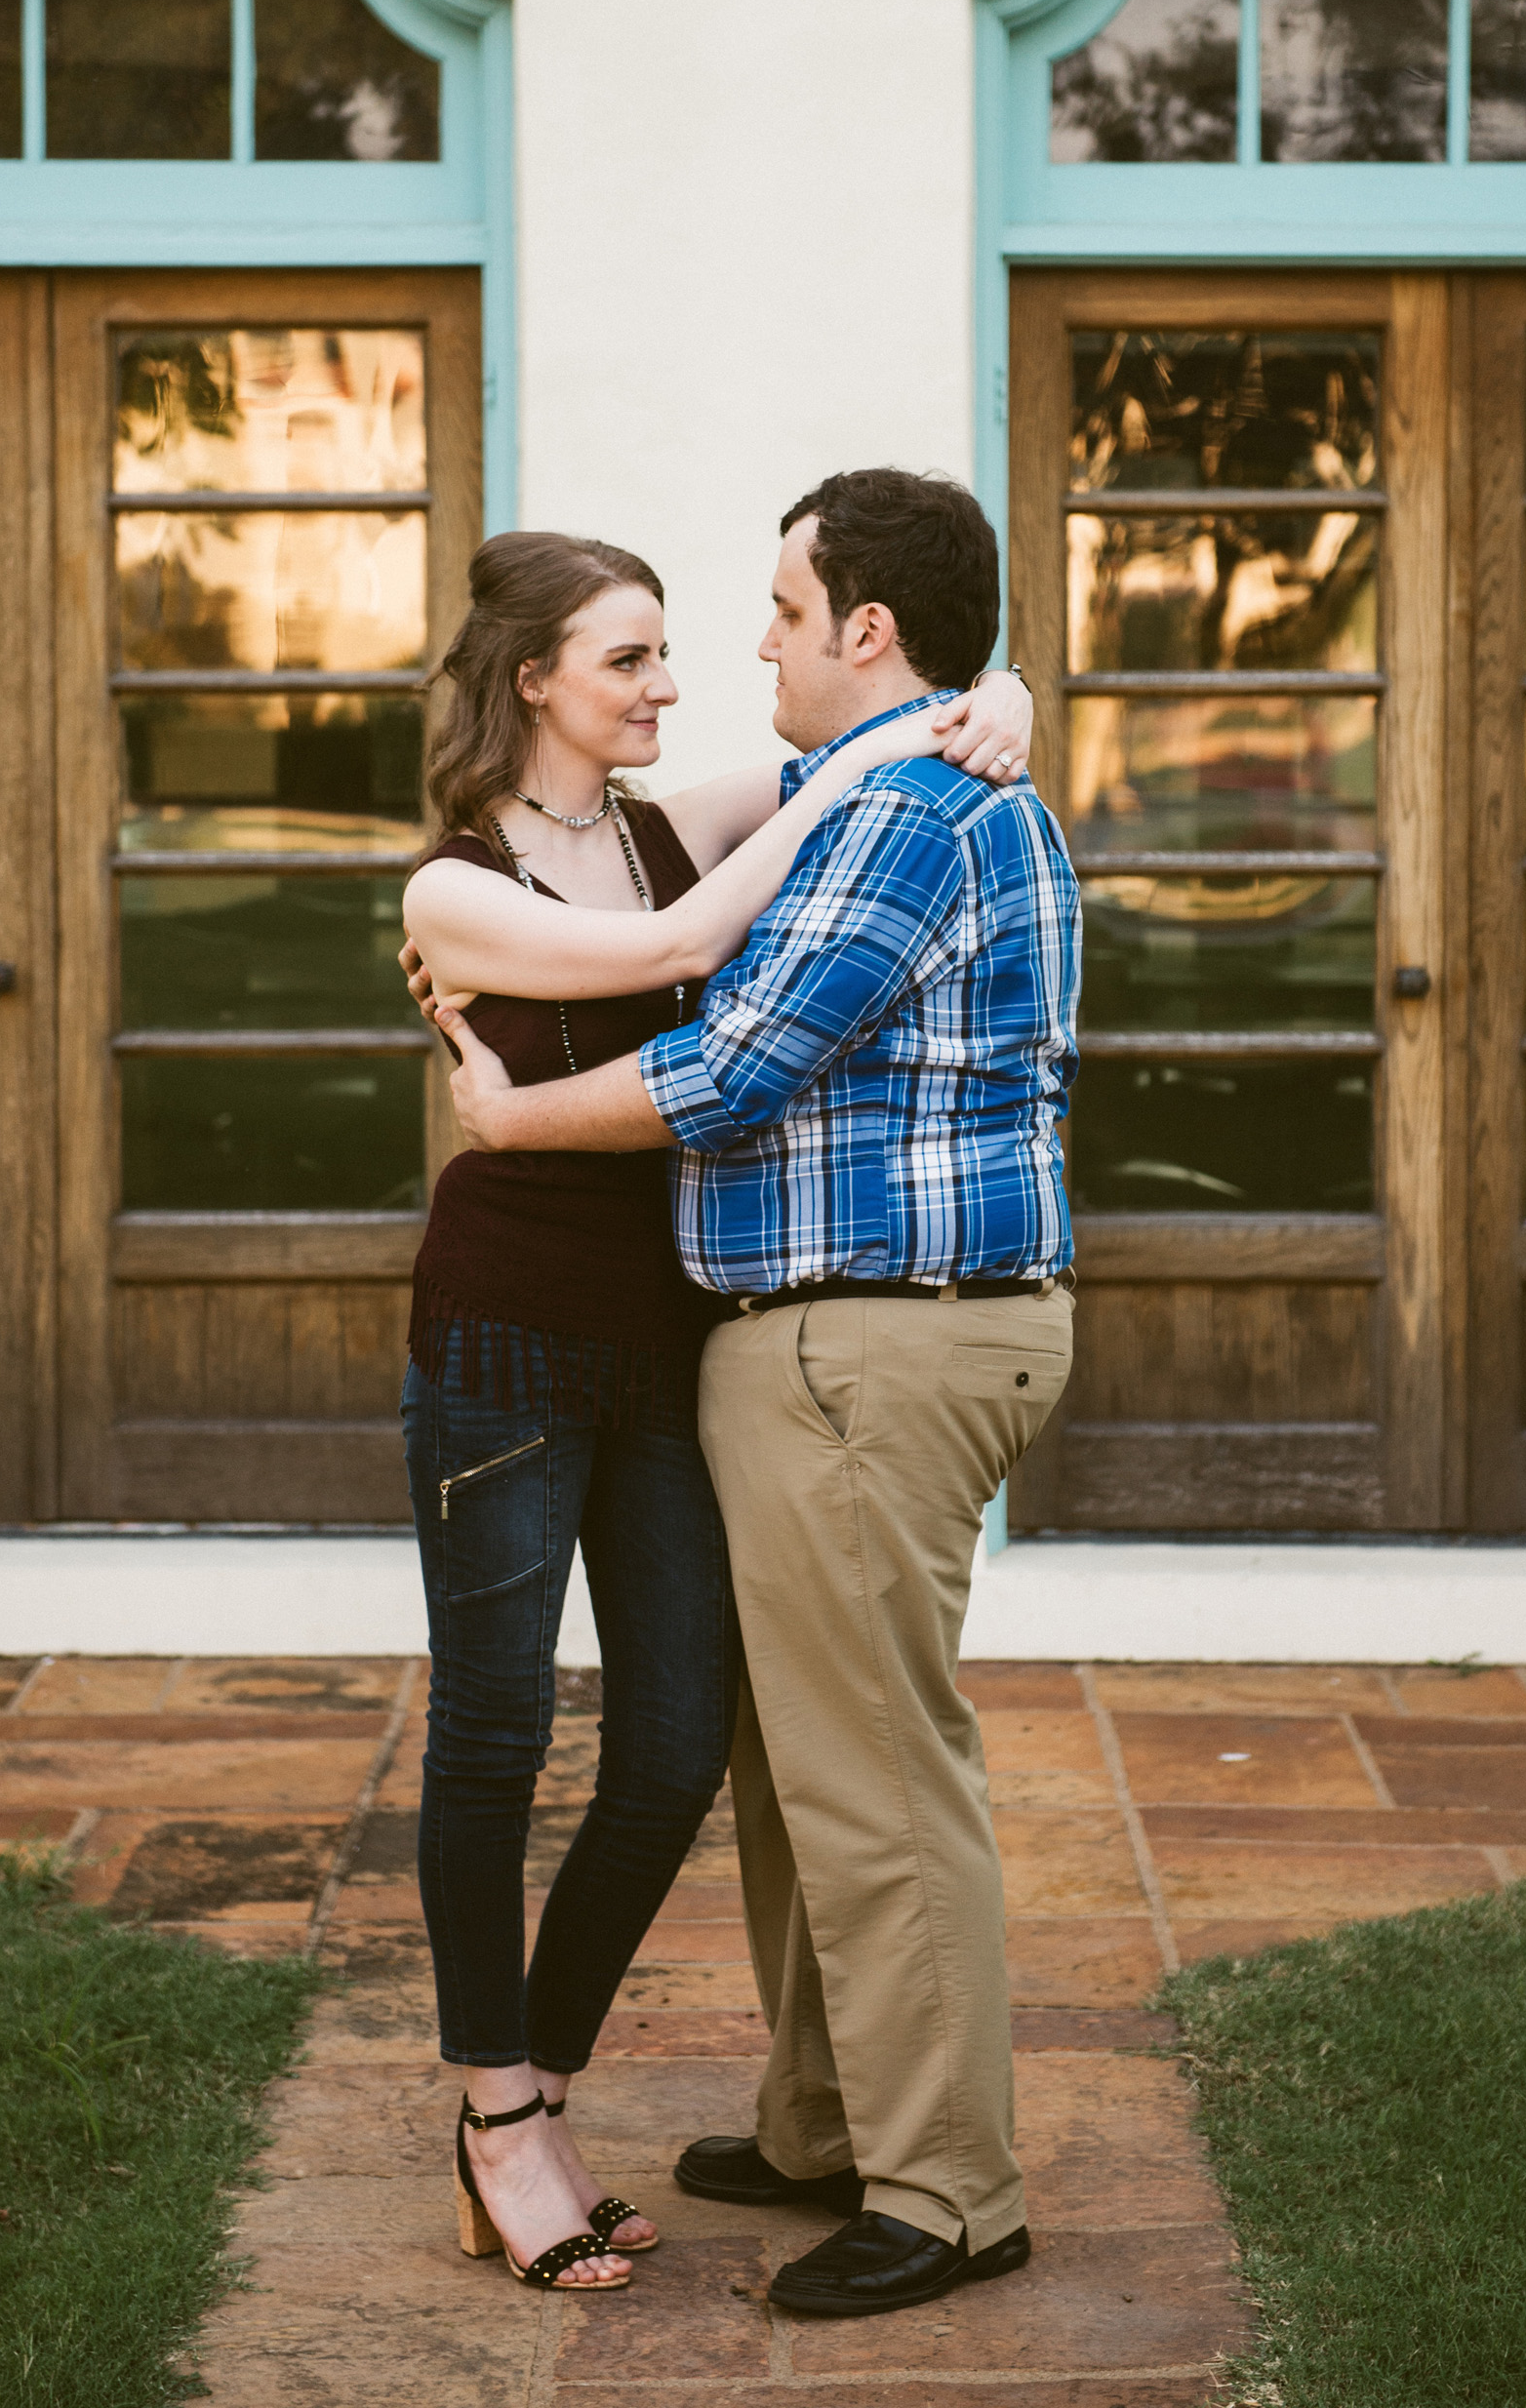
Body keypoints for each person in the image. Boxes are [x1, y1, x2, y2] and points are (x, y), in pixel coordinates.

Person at [434, 468, 1081, 2322]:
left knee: (870, 1772)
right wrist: (997, 690)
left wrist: (507, 1117)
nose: (748, 650)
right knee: (798, 1760)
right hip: (814, 1339)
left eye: (784, 613)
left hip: (871, 1342)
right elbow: (722, 876)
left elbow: (726, 1065)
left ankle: (946, 2190)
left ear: (867, 628)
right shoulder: (868, 788)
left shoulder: (901, 809)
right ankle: (826, 2119)